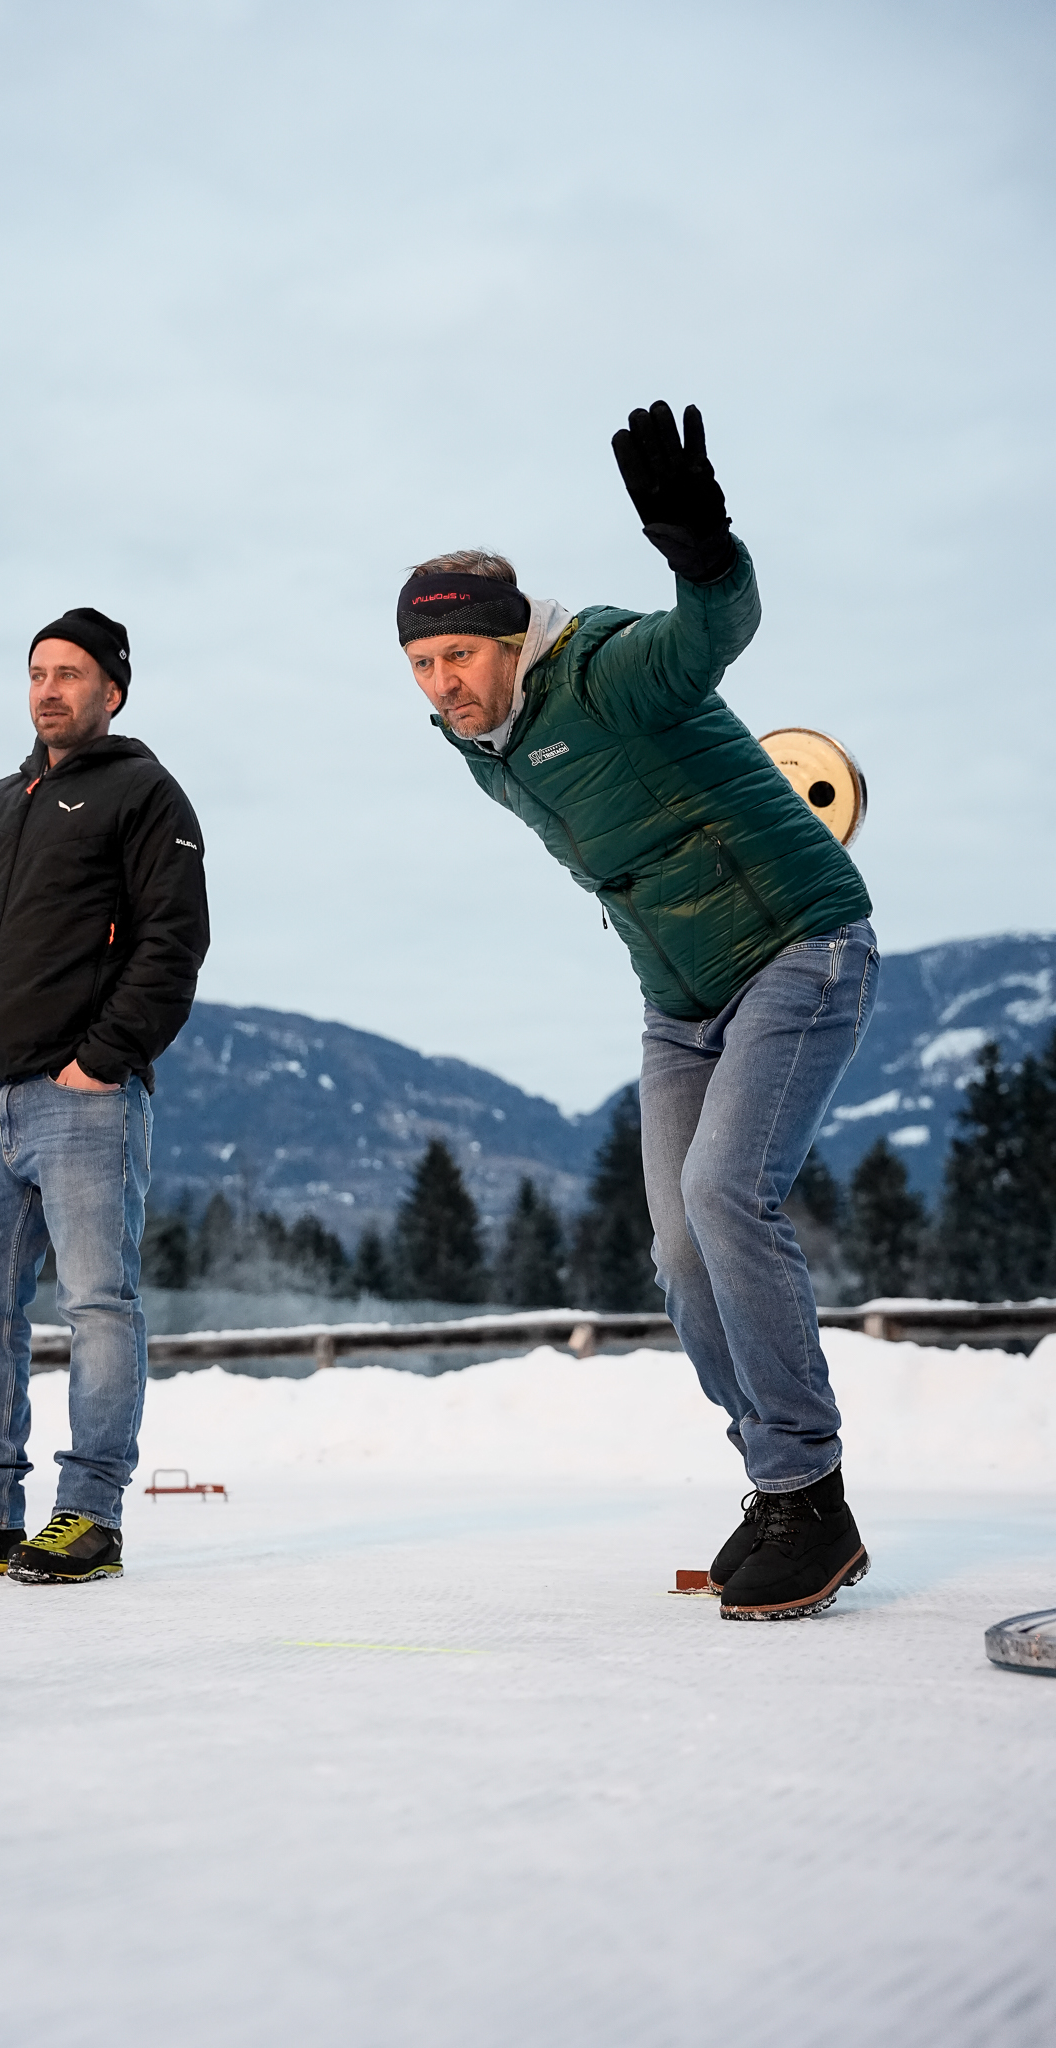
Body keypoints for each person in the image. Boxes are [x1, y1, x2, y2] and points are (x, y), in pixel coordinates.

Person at [400, 403, 877, 1621]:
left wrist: (704, 551)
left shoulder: (604, 670)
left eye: (460, 655)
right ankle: (779, 1483)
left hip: (800, 945)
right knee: (676, 1247)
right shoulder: (485, 745)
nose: (444, 683)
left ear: (513, 638)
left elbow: (710, 631)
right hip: (681, 1002)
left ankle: (811, 1490)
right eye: (423, 664)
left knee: (726, 1192)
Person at [0, 607, 209, 1585]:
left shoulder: (145, 793)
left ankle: (89, 1515)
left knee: (98, 1305)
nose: (48, 690)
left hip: (82, 1099)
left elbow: (173, 940)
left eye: (70, 673)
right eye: (36, 672)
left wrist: (102, 1059)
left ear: (112, 690)